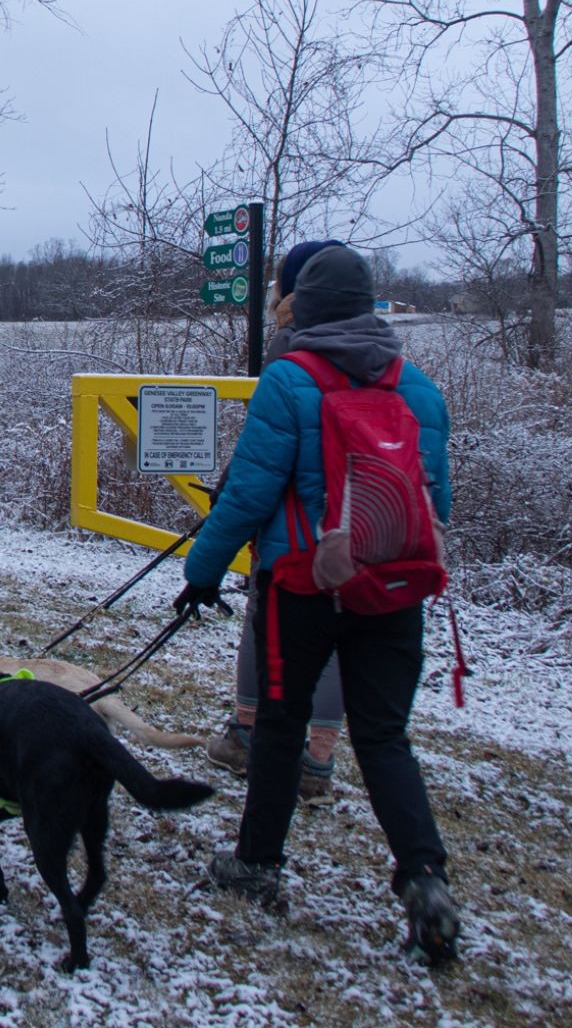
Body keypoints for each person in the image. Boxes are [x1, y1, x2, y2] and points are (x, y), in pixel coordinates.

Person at [175, 243, 460, 964]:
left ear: (301, 308)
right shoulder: (419, 388)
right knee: (385, 737)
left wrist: (202, 570)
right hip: (393, 588)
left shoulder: (288, 379)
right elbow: (439, 503)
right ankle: (424, 877)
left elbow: (248, 495)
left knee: (279, 725)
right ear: (369, 305)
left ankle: (257, 865)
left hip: (302, 585)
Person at [206, 239, 350, 803]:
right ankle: (319, 760)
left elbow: (267, 448)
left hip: (293, 527)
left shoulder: (291, 343)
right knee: (336, 634)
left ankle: (246, 733)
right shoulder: (377, 348)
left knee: (264, 624)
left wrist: (228, 507)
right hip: (357, 524)